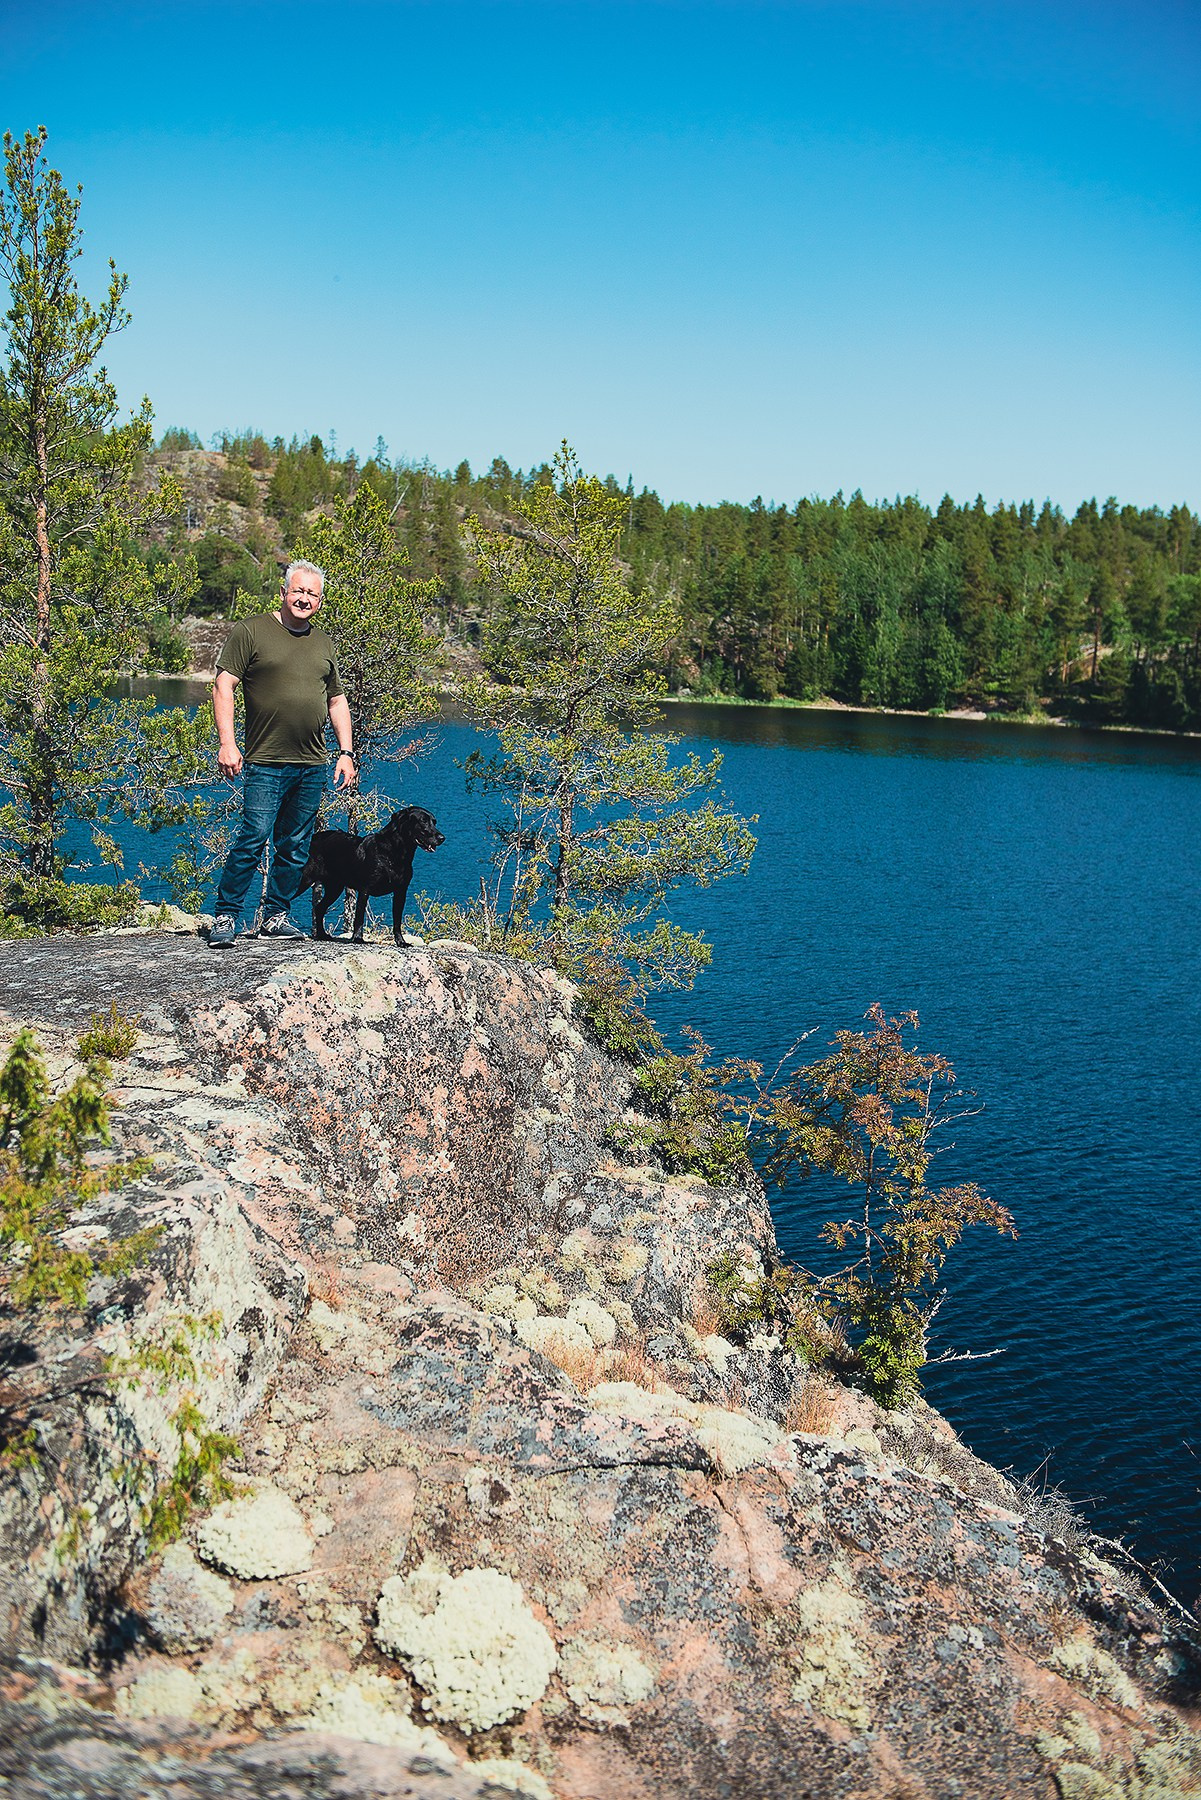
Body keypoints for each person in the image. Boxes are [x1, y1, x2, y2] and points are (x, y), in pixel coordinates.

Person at [208, 559, 356, 948]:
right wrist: (227, 742)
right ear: (283, 592)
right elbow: (224, 686)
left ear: (320, 601)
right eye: (298, 590)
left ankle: (275, 916)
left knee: (294, 846)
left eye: (312, 594)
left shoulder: (323, 642)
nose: (304, 598)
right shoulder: (252, 631)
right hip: (266, 762)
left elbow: (336, 699)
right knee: (253, 837)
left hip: (312, 764)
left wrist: (346, 752)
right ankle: (225, 917)